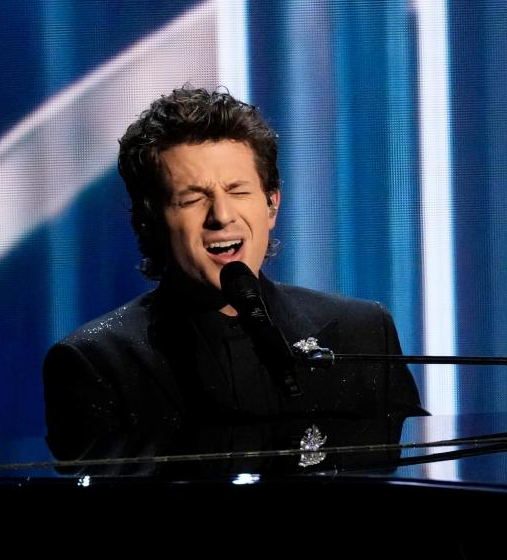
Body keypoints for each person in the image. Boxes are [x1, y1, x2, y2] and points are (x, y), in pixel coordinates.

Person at [43, 86, 423, 451]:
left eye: (239, 192)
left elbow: (414, 472)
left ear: (272, 204)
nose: (222, 216)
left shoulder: (364, 332)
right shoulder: (96, 363)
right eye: (193, 199)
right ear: (148, 219)